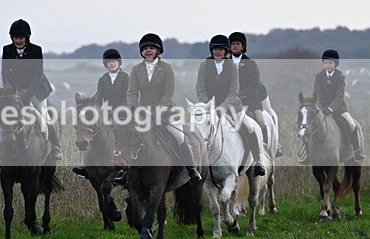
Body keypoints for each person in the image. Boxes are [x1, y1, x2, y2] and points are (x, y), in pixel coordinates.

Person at [115, 33, 202, 186]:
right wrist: (132, 108)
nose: (148, 51)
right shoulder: (136, 69)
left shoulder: (167, 69)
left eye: (151, 48)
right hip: (143, 114)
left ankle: (191, 169)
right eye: (145, 48)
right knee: (131, 136)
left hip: (167, 113)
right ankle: (126, 173)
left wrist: (158, 112)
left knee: (178, 136)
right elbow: (132, 92)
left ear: (158, 51)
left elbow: (168, 93)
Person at [0, 19, 63, 160]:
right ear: (12, 38)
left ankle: (55, 147)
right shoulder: (7, 50)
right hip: (13, 90)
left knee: (44, 115)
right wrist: (8, 90)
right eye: (16, 38)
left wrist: (29, 93)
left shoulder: (36, 50)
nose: (18, 41)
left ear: (27, 38)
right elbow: (5, 72)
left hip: (35, 88)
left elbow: (38, 73)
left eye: (21, 38)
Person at [196, 34, 266, 176]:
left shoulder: (232, 67)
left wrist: (223, 107)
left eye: (221, 49)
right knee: (195, 127)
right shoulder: (204, 65)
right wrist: (207, 104)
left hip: (233, 106)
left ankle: (258, 161)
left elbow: (234, 91)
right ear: (211, 50)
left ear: (226, 51)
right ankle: (195, 163)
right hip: (209, 107)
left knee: (250, 127)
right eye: (215, 49)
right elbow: (200, 88)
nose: (218, 52)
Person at [299, 49, 366, 165]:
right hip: (322, 107)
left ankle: (356, 150)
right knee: (309, 126)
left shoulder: (340, 77)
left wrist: (331, 108)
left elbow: (339, 96)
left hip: (339, 107)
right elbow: (317, 91)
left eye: (330, 63)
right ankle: (308, 155)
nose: (328, 65)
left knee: (352, 124)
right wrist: (322, 106)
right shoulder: (318, 76)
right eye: (325, 63)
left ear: (335, 64)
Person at [72, 48, 129, 179]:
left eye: (114, 61)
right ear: (106, 64)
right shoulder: (102, 79)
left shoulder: (126, 77)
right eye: (109, 62)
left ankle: (123, 164)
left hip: (124, 112)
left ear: (119, 63)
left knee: (122, 131)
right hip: (107, 111)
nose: (112, 64)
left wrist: (118, 110)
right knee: (94, 130)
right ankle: (88, 166)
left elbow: (128, 97)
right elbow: (100, 97)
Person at [229, 31, 284, 157]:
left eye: (238, 44)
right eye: (233, 44)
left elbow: (253, 86)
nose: (235, 46)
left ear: (243, 46)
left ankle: (264, 148)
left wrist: (239, 96)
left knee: (260, 120)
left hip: (250, 99)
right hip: (230, 101)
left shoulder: (251, 63)